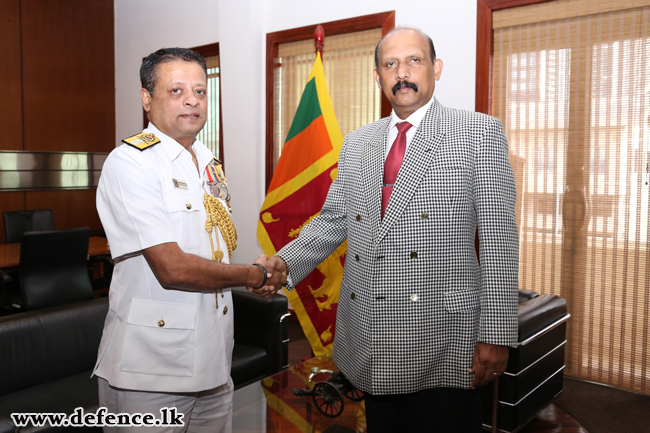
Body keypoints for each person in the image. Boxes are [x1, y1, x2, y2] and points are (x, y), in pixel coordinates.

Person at [264, 27, 519, 432]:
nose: (402, 73)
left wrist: (497, 334)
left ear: (435, 68)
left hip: (443, 335)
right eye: (390, 64)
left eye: (414, 61)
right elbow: (333, 221)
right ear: (378, 76)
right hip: (371, 330)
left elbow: (499, 242)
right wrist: (282, 263)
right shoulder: (357, 143)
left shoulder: (478, 134)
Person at [93, 48, 285, 433]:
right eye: (177, 90)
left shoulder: (207, 159)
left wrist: (257, 269)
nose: (191, 100)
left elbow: (211, 244)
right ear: (147, 99)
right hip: (151, 371)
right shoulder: (130, 162)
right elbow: (172, 267)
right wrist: (252, 274)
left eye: (200, 91)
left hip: (214, 359)